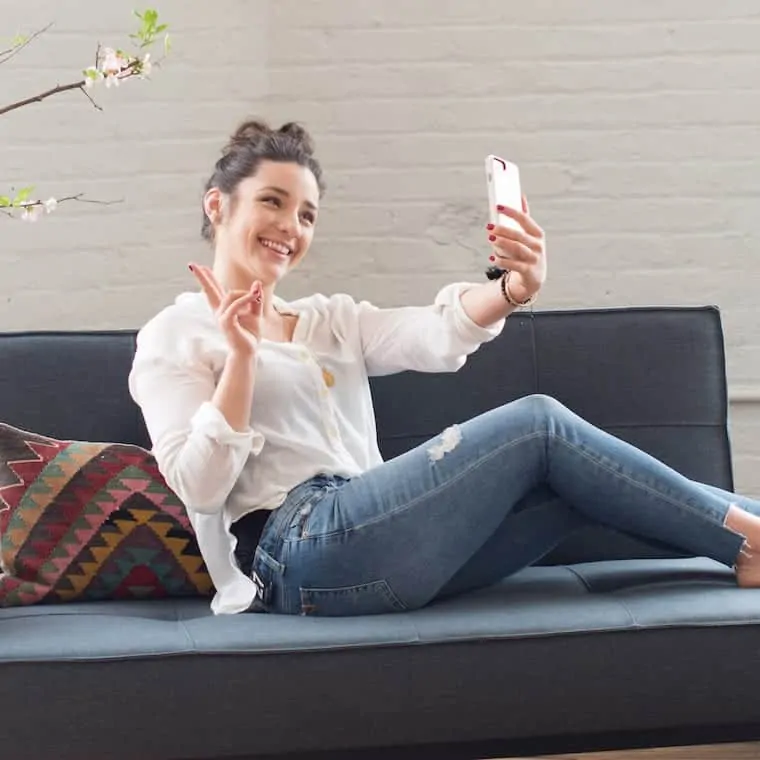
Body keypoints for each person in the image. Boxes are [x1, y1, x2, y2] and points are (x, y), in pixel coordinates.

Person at [128, 118, 760, 617]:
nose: (290, 227)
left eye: (307, 214)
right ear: (218, 206)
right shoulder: (174, 334)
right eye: (273, 201)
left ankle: (750, 533)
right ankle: (750, 540)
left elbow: (433, 332)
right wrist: (240, 358)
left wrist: (514, 288)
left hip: (377, 539)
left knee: (579, 487)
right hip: (297, 552)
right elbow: (200, 488)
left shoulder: (327, 320)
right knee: (537, 424)